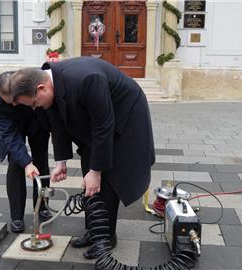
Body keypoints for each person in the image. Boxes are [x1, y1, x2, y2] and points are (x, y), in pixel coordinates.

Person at [8, 57, 155, 259]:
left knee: (107, 177)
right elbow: (57, 123)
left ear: (41, 88)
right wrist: (61, 162)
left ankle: (105, 237)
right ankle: (94, 230)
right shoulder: (50, 82)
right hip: (96, 123)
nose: (35, 108)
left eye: (34, 103)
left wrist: (96, 171)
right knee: (90, 166)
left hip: (125, 118)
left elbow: (103, 126)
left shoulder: (88, 79)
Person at [0, 71, 52, 233]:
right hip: (12, 127)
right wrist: (26, 163)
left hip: (37, 120)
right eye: (10, 102)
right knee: (16, 163)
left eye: (16, 100)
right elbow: (8, 133)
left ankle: (42, 205)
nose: (15, 104)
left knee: (41, 161)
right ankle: (17, 216)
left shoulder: (27, 83)